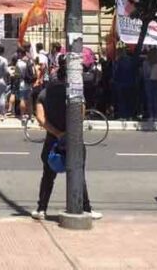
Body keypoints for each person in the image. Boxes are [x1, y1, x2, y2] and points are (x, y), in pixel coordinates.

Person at [31, 56, 101, 221]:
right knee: (78, 174)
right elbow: (81, 112)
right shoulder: (76, 91)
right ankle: (86, 209)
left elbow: (41, 119)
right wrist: (70, 132)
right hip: (73, 140)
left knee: (48, 175)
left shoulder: (45, 92)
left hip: (52, 140)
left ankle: (41, 209)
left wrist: (57, 133)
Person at [112, 48, 137, 120]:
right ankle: (130, 115)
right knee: (129, 100)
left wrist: (114, 80)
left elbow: (116, 72)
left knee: (122, 100)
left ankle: (123, 115)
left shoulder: (118, 61)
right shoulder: (131, 60)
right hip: (130, 82)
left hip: (120, 83)